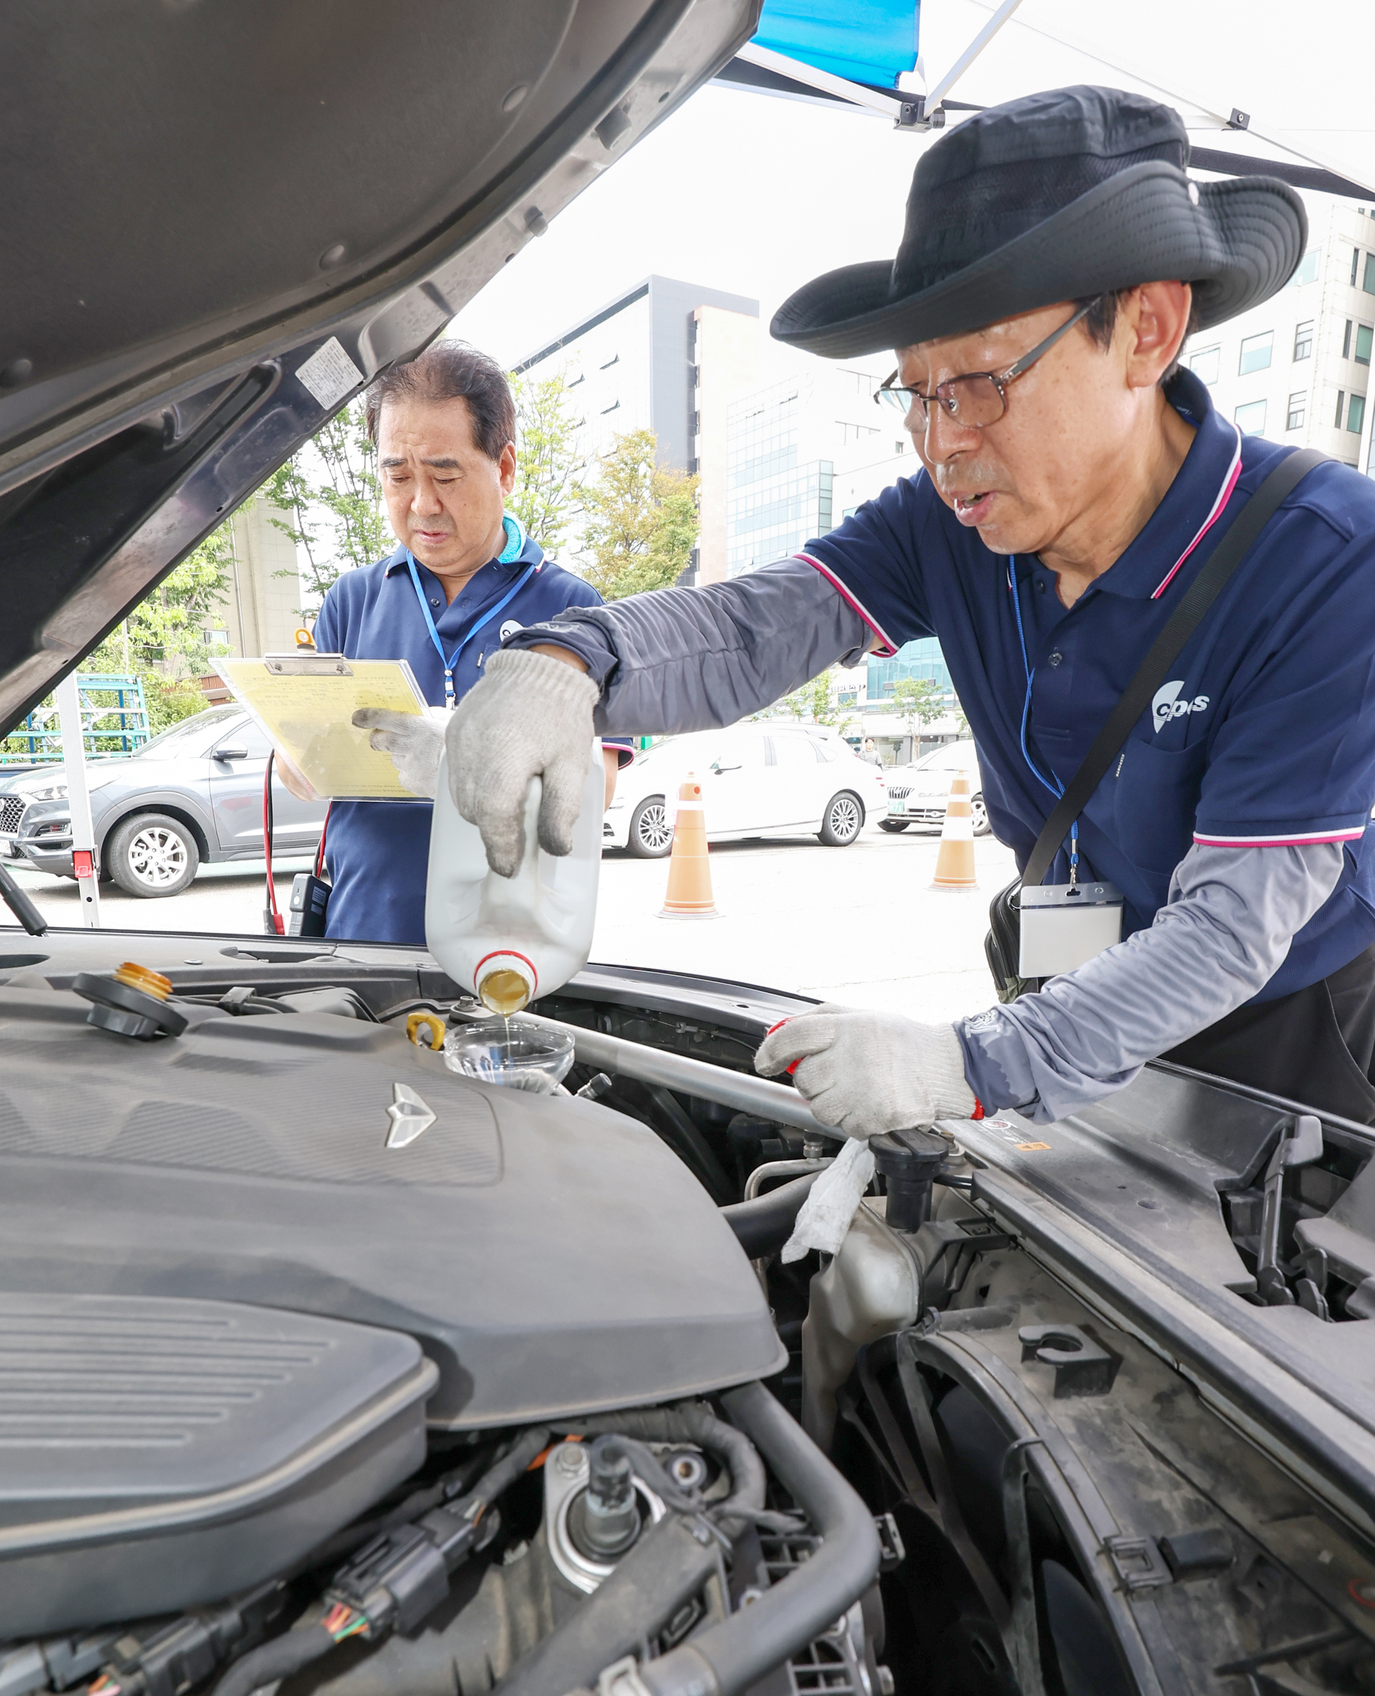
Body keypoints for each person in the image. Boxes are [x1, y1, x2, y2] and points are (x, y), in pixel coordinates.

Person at [373, 87, 1375, 1129]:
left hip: (1281, 1027)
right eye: (916, 393)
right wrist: (565, 664)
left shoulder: (1325, 558)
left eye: (979, 382)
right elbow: (765, 622)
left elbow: (1231, 929)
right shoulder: (955, 522)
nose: (941, 441)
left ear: (1145, 329)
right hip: (1062, 987)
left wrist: (973, 1066)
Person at [289, 342, 627, 943]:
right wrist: (293, 758)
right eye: (398, 475)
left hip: (509, 949)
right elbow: (304, 754)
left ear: (504, 468)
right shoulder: (352, 599)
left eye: (445, 474)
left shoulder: (574, 611)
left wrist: (450, 765)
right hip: (363, 936)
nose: (422, 503)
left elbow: (591, 794)